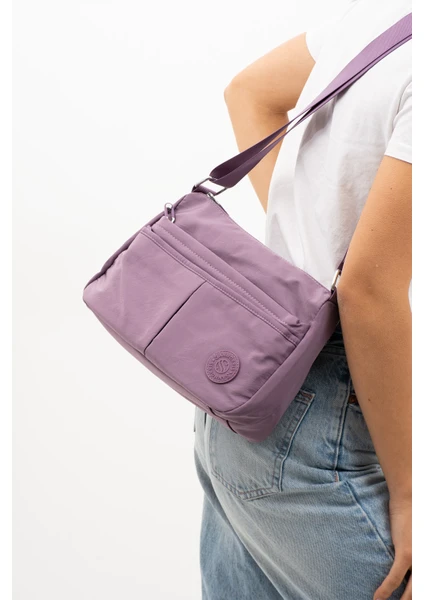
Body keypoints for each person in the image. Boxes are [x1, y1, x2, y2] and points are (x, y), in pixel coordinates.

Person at [193, 0, 412, 598]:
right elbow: (367, 292)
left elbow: (248, 92)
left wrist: (312, 243)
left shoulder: (386, 22)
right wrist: (408, 491)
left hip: (238, 415)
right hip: (326, 427)